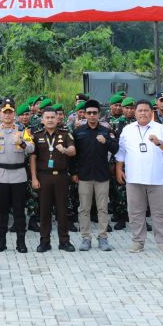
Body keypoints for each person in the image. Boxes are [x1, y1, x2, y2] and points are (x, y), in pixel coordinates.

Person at [115, 99, 163, 254]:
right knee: (135, 212)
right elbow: (121, 152)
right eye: (140, 110)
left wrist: (158, 142)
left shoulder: (160, 128)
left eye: (146, 110)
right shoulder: (127, 129)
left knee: (160, 213)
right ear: (135, 112)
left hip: (157, 179)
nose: (143, 113)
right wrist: (119, 169)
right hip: (134, 178)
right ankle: (137, 242)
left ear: (151, 112)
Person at [0, 105, 33, 252]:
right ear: (0, 114)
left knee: (19, 211)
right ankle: (1, 242)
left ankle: (21, 242)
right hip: (1, 175)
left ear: (14, 115)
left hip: (19, 175)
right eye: (4, 113)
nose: (7, 115)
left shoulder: (22, 131)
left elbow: (32, 149)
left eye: (10, 113)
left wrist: (22, 142)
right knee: (1, 210)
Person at [72, 100, 118, 252]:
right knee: (84, 208)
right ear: (84, 114)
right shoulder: (78, 132)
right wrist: (74, 173)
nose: (92, 115)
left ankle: (103, 237)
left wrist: (106, 142)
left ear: (99, 114)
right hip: (84, 176)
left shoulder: (106, 131)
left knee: (102, 208)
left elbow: (116, 148)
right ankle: (86, 238)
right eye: (89, 113)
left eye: (94, 113)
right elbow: (73, 155)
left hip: (102, 175)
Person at [30, 108, 76, 253]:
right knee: (44, 210)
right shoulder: (36, 136)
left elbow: (73, 151)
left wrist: (64, 150)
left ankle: (64, 241)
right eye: (47, 117)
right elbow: (33, 158)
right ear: (42, 120)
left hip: (61, 177)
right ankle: (44, 241)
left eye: (52, 117)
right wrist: (34, 178)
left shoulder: (65, 134)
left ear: (58, 119)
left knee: (62, 210)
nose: (50, 120)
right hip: (43, 177)